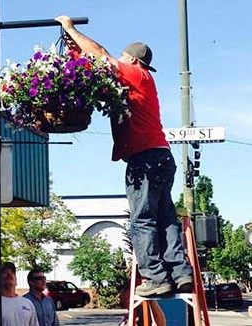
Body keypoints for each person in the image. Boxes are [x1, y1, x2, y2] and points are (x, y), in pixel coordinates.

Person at [55, 15, 193, 297]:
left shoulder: (137, 75)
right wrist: (73, 47)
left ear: (131, 60)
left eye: (122, 56)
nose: (118, 59)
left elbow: (101, 56)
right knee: (165, 217)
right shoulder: (139, 82)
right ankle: (180, 274)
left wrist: (70, 28)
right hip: (161, 157)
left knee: (141, 219)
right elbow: (94, 64)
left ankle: (156, 278)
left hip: (144, 159)